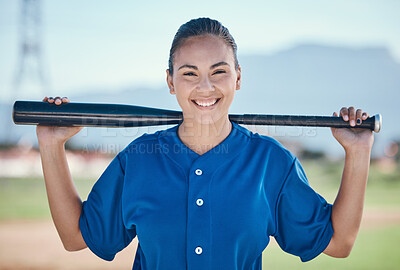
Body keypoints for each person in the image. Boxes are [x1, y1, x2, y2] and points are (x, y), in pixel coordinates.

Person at [36, 17, 374, 270]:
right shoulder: (139, 160)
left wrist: (358, 153)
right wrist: (52, 146)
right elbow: (76, 237)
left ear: (238, 77)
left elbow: (339, 243)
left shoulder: (271, 163)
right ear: (170, 81)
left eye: (219, 71)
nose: (205, 86)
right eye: (189, 73)